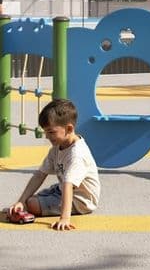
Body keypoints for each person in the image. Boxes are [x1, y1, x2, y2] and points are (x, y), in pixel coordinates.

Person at [7, 99, 100, 231]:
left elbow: (68, 185)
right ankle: (26, 204)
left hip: (81, 201)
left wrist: (64, 218)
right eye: (45, 132)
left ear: (69, 129)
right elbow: (40, 174)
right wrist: (21, 200)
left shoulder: (77, 154)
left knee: (32, 204)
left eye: (51, 132)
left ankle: (31, 206)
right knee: (29, 200)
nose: (47, 136)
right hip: (63, 190)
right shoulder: (57, 147)